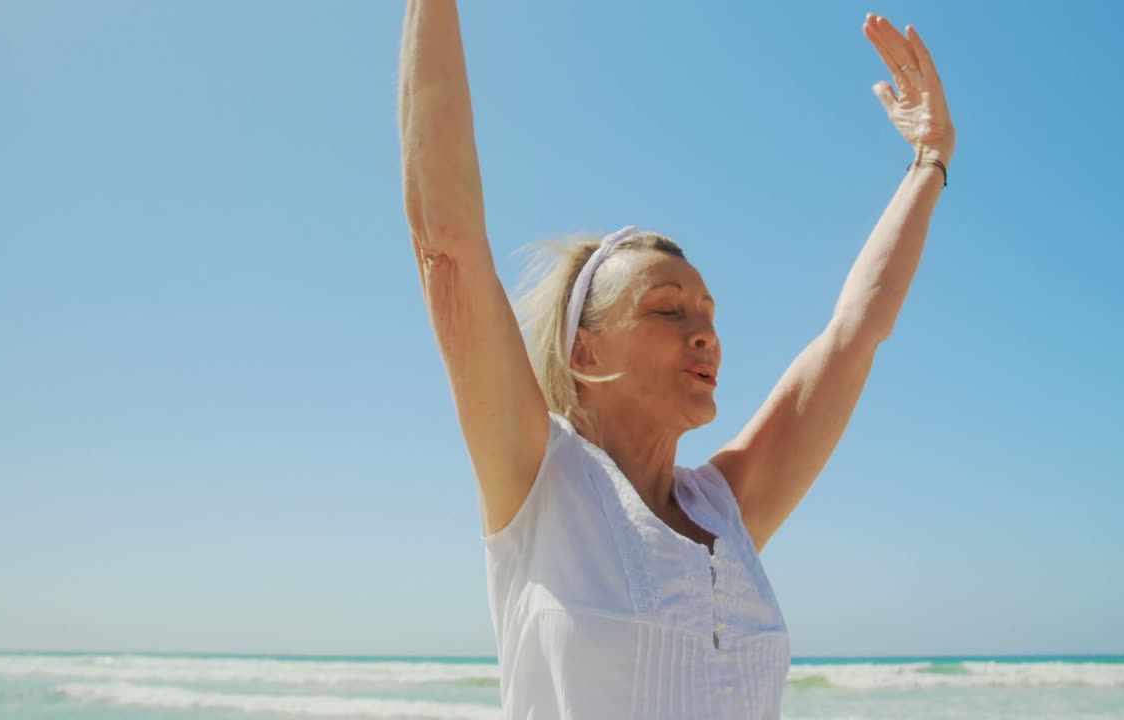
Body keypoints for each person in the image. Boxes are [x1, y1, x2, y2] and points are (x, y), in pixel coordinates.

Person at [397, 2, 954, 717]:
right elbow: (447, 248)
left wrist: (929, 159)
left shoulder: (727, 507)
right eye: (669, 308)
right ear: (583, 348)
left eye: (709, 314)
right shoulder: (541, 484)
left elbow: (854, 332)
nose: (704, 334)